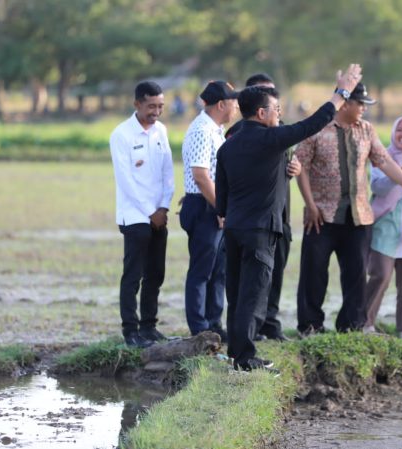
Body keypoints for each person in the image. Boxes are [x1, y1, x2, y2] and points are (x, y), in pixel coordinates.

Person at [215, 64, 365, 372]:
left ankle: (235, 352)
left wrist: (226, 215)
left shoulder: (228, 146)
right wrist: (342, 93)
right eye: (275, 110)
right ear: (260, 113)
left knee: (236, 290)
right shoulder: (270, 139)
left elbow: (222, 194)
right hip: (259, 230)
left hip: (233, 228)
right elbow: (314, 123)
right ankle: (245, 359)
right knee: (254, 293)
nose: (279, 114)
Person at [295, 83, 402, 337]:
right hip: (321, 215)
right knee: (314, 273)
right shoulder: (317, 128)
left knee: (356, 274)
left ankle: (352, 325)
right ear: (345, 103)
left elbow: (384, 161)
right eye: (360, 104)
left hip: (358, 216)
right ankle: (310, 326)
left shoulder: (366, 130)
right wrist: (310, 205)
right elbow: (299, 165)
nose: (363, 110)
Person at [225, 72, 295, 342]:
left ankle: (269, 324)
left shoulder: (279, 130)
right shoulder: (238, 134)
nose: (274, 106)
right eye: (267, 97)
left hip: (279, 216)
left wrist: (293, 170)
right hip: (253, 220)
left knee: (273, 274)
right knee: (247, 283)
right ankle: (245, 343)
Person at [109, 81, 175, 348]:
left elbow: (167, 173)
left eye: (160, 106)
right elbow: (126, 181)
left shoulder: (161, 131)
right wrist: (151, 212)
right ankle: (130, 330)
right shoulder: (122, 134)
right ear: (137, 104)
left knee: (156, 273)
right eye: (151, 106)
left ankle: (149, 327)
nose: (156, 111)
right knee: (133, 275)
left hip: (158, 213)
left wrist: (163, 207)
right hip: (135, 216)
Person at [179, 81, 238, 340]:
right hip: (206, 205)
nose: (237, 107)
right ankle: (200, 327)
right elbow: (201, 176)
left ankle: (214, 324)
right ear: (222, 104)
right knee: (202, 270)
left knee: (219, 270)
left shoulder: (216, 130)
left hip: (214, 204)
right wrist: (221, 208)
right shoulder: (203, 130)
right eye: (234, 102)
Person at [363, 116, 402, 339]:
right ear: (393, 132)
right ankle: (366, 323)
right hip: (385, 221)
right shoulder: (382, 157)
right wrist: (401, 176)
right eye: (400, 129)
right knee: (380, 273)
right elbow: (378, 188)